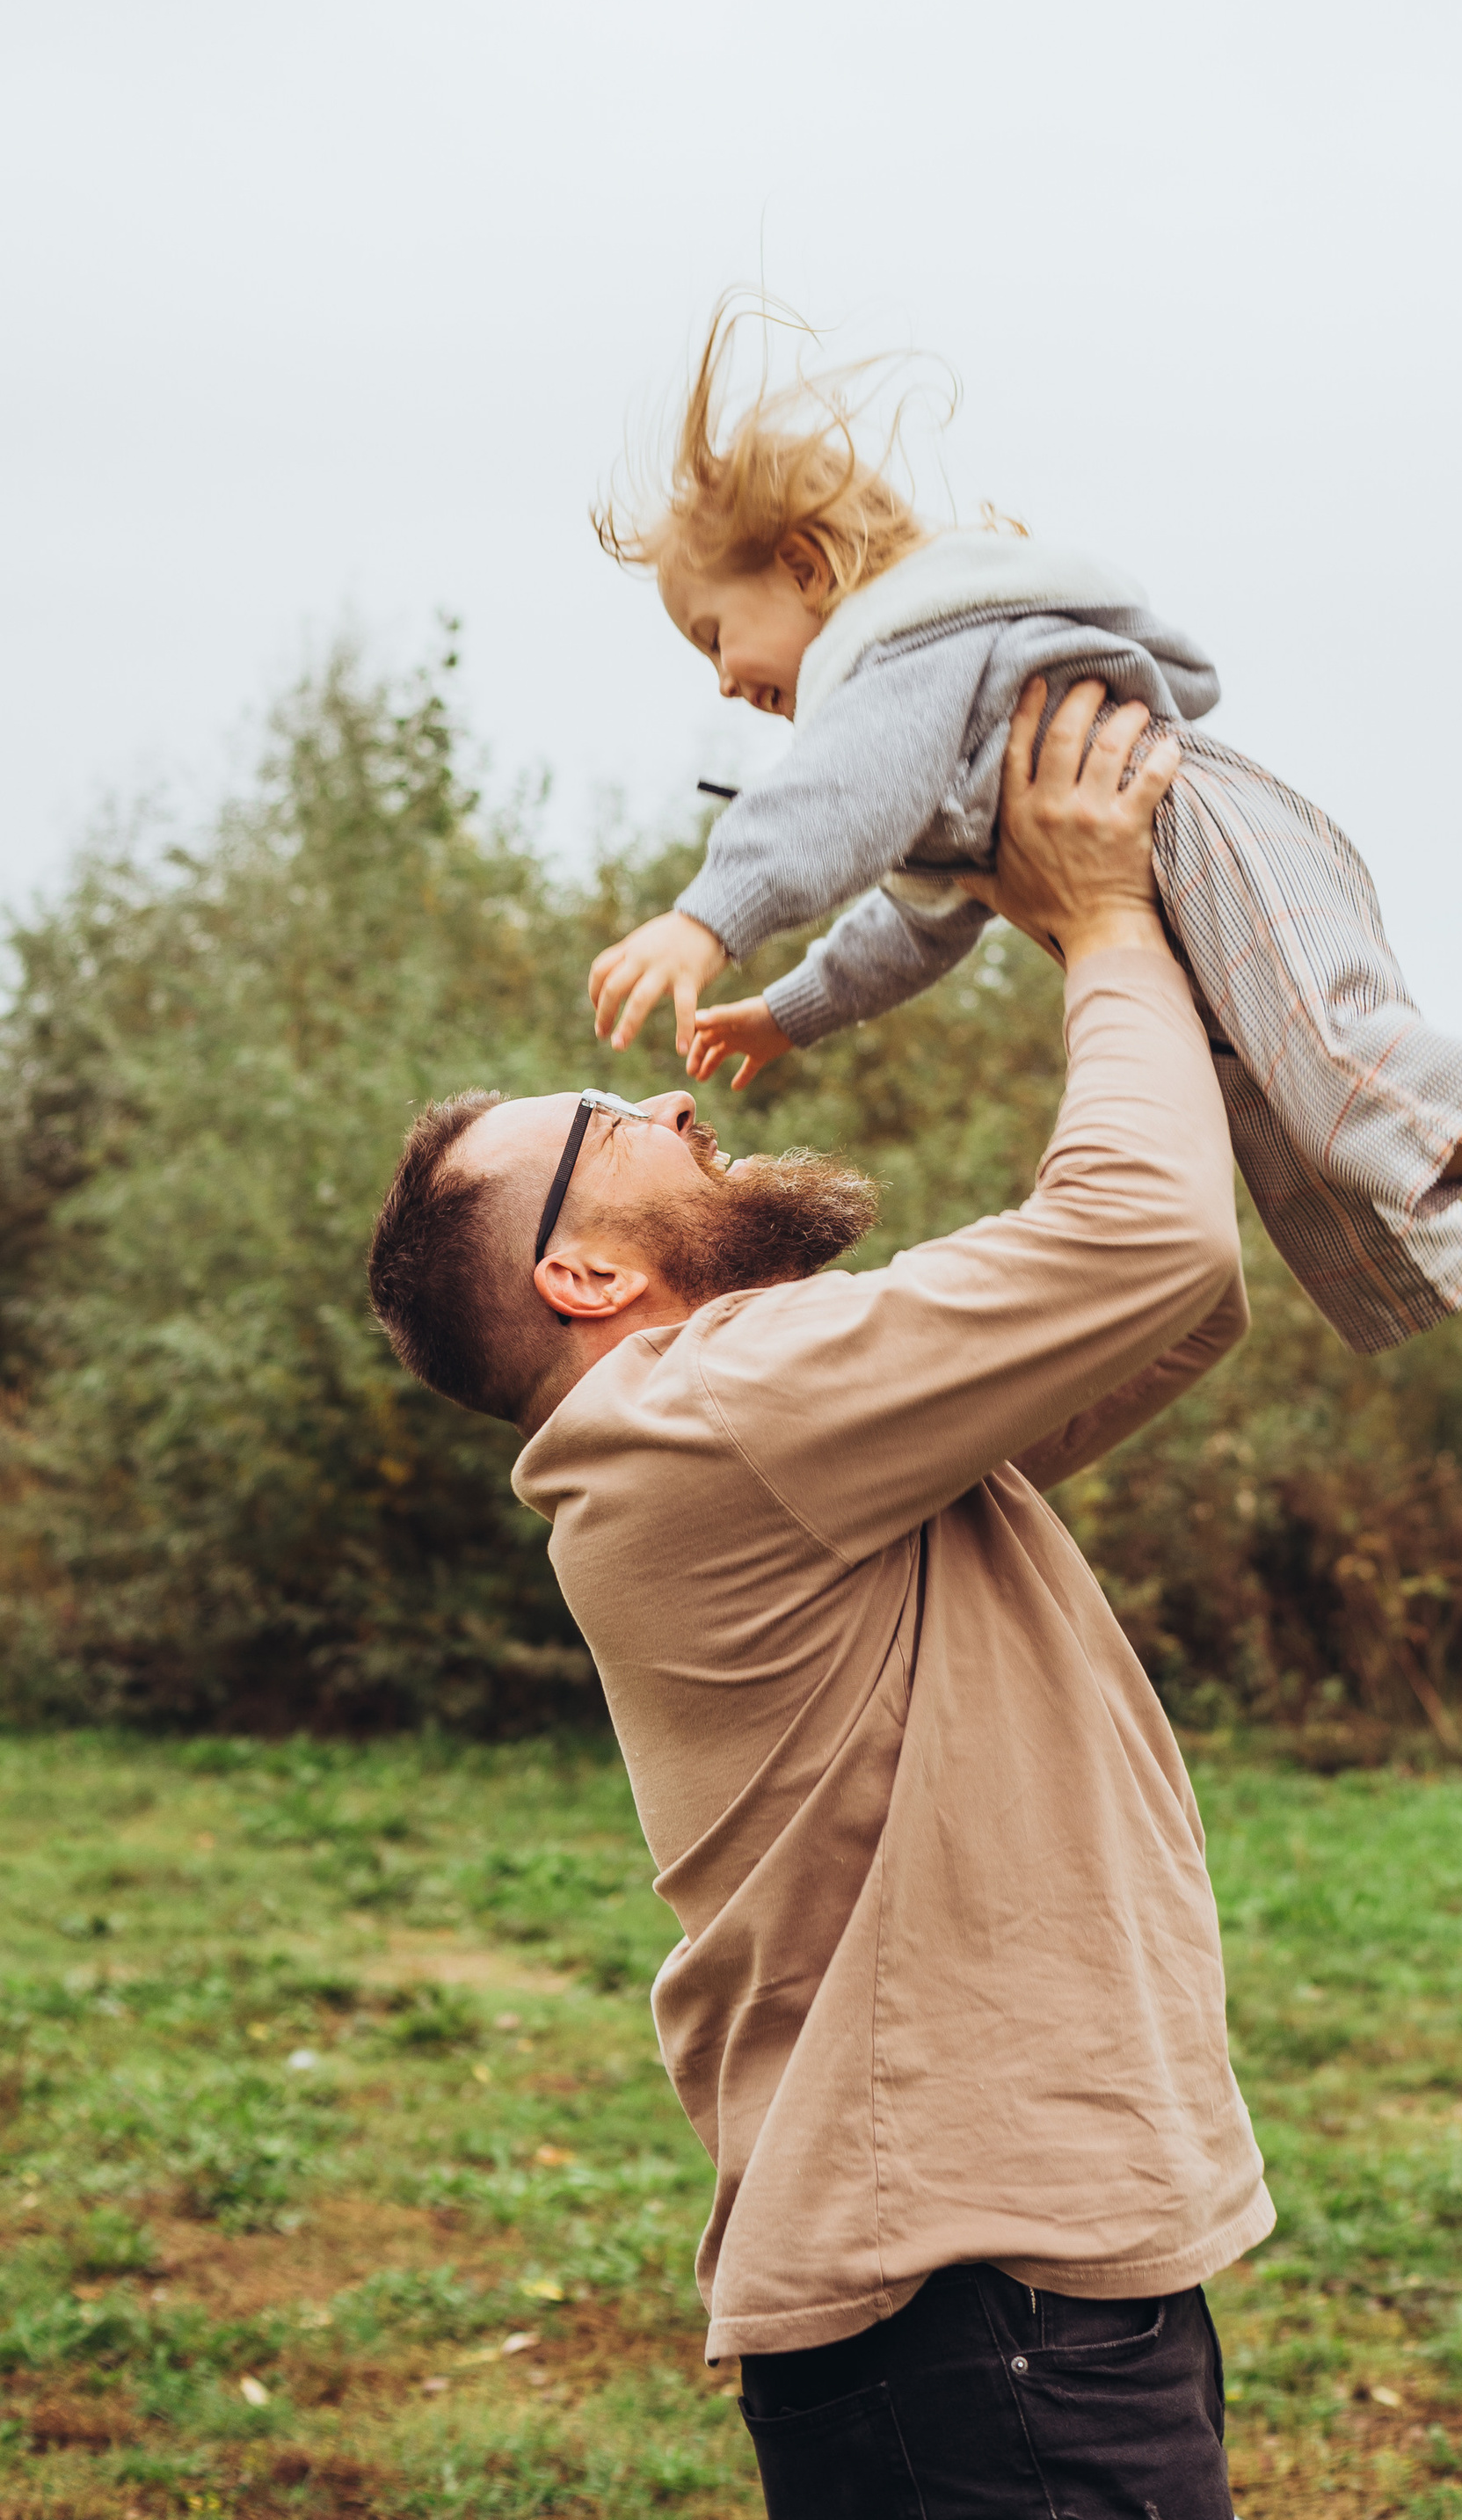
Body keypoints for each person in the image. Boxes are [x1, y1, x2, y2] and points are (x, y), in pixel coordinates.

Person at [368, 685, 1260, 2514]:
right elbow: (1145, 1237)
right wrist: (1094, 916)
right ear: (575, 1266)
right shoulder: (702, 1416)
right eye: (610, 1115)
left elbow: (1155, 1293)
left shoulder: (754, 1430)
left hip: (994, 2300)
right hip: (977, 2313)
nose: (673, 1094)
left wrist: (1084, 931)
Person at [583, 312, 1462, 1523]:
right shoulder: (912, 728)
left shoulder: (892, 656)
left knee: (1356, 1092)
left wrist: (708, 918)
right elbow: (921, 918)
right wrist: (797, 1011)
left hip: (1206, 841)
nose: (723, 678)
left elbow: (825, 803)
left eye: (714, 632)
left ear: (804, 568)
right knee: (1322, 1180)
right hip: (1174, 898)